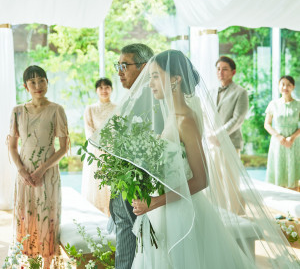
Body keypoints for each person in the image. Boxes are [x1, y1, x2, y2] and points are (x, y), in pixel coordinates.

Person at [92, 50, 299, 268]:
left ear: (175, 79)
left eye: (155, 76)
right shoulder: (171, 115)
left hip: (181, 215)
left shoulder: (186, 119)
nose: (150, 83)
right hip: (161, 211)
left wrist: (154, 202)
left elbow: (201, 179)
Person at [8, 65, 69, 269]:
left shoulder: (56, 110)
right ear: (25, 86)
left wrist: (41, 170)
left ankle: (47, 264)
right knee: (27, 215)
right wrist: (23, 171)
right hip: (24, 175)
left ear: (47, 82)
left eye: (41, 80)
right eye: (32, 82)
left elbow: (64, 147)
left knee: (48, 216)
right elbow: (12, 146)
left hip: (47, 174)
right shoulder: (17, 111)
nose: (38, 85)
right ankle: (29, 262)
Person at [110, 43, 155, 269]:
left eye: (124, 65)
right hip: (123, 191)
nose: (119, 71)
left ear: (144, 67)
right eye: (117, 66)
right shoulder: (129, 99)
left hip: (140, 195)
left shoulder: (153, 101)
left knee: (138, 257)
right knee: (125, 256)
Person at [209, 56, 249, 214]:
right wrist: (209, 135)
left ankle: (238, 216)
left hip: (230, 142)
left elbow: (238, 119)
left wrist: (219, 135)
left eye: (225, 69)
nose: (221, 72)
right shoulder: (211, 91)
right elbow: (206, 116)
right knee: (216, 183)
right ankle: (222, 215)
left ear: (233, 72)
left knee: (231, 182)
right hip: (212, 144)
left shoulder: (241, 92)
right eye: (218, 69)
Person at [81, 78, 116, 214]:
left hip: (113, 151)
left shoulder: (117, 108)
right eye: (100, 88)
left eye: (107, 87)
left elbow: (121, 129)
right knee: (96, 186)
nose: (104, 90)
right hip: (96, 152)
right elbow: (89, 130)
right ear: (96, 90)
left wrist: (111, 145)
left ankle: (112, 215)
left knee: (111, 186)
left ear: (111, 89)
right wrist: (99, 144)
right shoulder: (90, 109)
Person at [264, 75, 300, 190]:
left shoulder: (298, 104)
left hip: (294, 142)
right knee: (278, 171)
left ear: (293, 87)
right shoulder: (273, 104)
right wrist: (278, 136)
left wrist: (292, 138)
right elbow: (267, 124)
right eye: (283, 84)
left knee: (294, 172)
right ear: (279, 86)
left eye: (288, 84)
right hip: (278, 142)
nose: (285, 87)